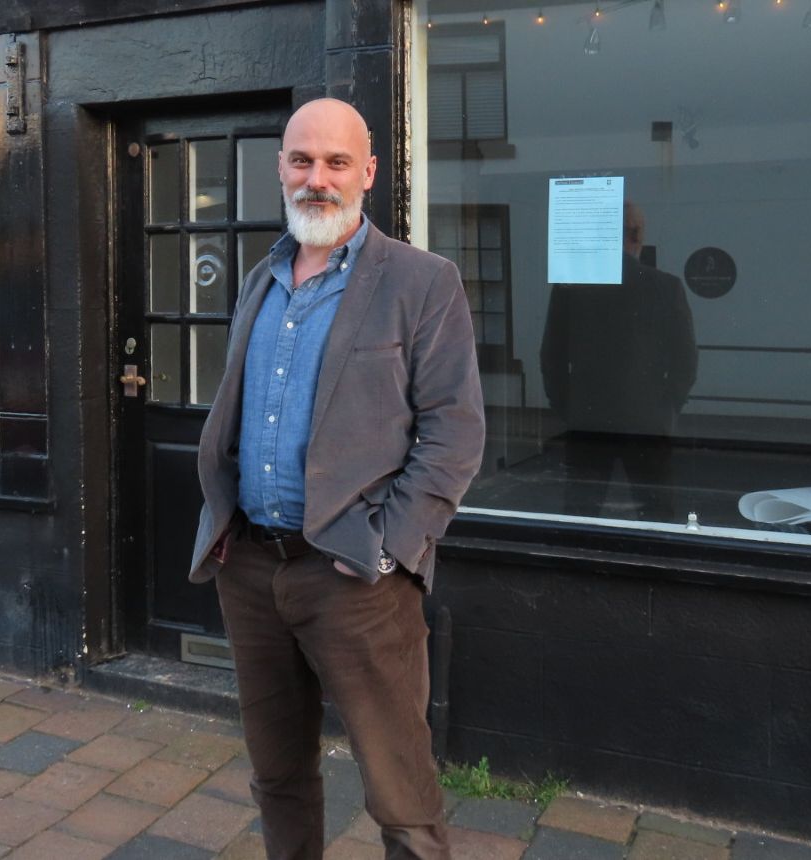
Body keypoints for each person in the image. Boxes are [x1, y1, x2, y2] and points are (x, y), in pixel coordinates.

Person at [189, 98, 485, 860]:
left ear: (367, 173)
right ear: (279, 168)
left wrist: (388, 549)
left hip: (355, 576)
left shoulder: (422, 281)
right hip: (251, 566)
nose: (315, 178)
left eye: (334, 162)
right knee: (276, 773)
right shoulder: (262, 279)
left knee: (401, 795)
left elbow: (454, 431)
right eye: (300, 160)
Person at [540, 201, 697, 521]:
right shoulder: (665, 288)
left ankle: (578, 570)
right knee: (657, 515)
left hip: (587, 418)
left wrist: (569, 408)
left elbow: (551, 358)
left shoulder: (571, 288)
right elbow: (685, 361)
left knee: (582, 515)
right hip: (647, 422)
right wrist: (666, 408)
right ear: (637, 236)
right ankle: (657, 569)